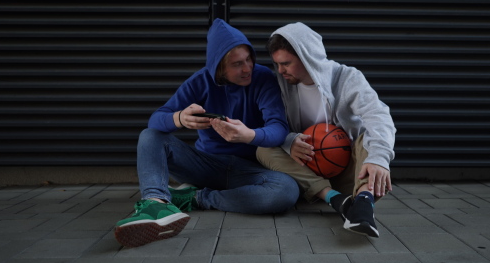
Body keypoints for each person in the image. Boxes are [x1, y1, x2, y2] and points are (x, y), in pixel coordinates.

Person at [115, 18, 300, 247]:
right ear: (218, 68)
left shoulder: (262, 78)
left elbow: (278, 129)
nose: (247, 68)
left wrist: (248, 135)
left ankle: (195, 198)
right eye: (236, 64)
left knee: (286, 191)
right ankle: (156, 203)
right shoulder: (201, 81)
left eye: (248, 59)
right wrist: (179, 118)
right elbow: (156, 120)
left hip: (250, 169)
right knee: (150, 136)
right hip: (206, 165)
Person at [257, 22, 396, 237]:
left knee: (368, 138)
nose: (281, 70)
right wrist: (289, 141)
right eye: (277, 64)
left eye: (286, 63)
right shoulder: (281, 83)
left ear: (307, 58)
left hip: (349, 171)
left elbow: (379, 115)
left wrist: (379, 158)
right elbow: (271, 125)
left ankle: (363, 203)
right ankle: (336, 200)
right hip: (308, 171)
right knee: (262, 149)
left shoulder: (346, 77)